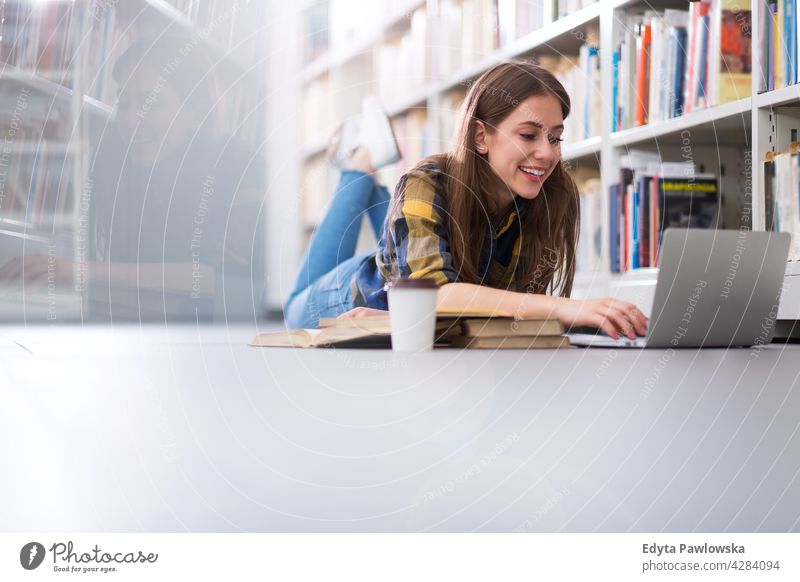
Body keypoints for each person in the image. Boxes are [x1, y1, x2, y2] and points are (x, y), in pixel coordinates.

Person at [285, 61, 648, 340]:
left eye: (555, 138)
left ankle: (372, 178)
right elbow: (436, 295)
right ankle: (360, 164)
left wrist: (401, 324)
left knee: (412, 235)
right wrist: (571, 309)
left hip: (411, 289)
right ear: (480, 137)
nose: (546, 153)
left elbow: (507, 313)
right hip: (353, 296)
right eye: (528, 135)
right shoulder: (426, 181)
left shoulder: (553, 194)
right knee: (292, 309)